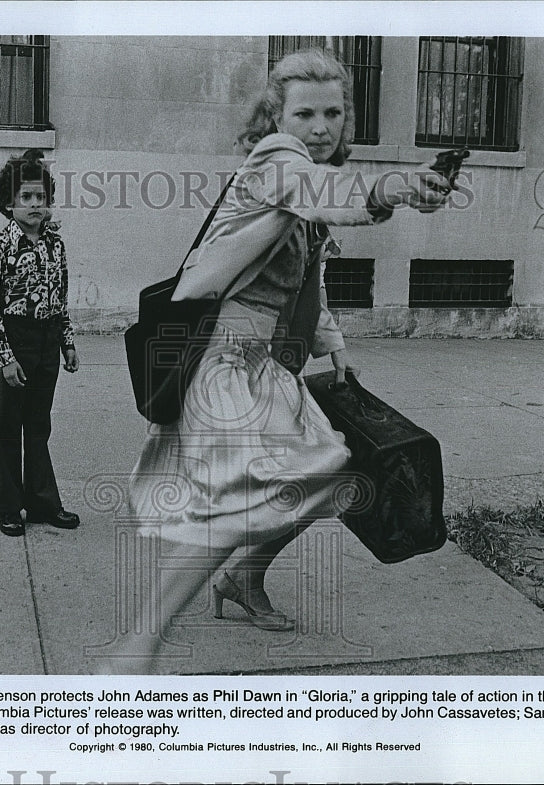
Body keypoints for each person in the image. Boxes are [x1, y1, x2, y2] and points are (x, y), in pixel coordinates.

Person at [108, 50, 453, 672]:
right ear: (276, 117)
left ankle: (245, 577)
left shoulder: (307, 188)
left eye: (334, 113)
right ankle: (139, 645)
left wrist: (334, 346)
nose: (321, 127)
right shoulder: (276, 162)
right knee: (232, 500)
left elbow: (303, 282)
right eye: (305, 114)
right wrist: (395, 186)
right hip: (222, 364)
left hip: (265, 366)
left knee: (329, 477)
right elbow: (326, 192)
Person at [0, 149, 81, 537]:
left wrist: (67, 342)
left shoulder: (56, 246)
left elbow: (61, 299)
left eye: (41, 197)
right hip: (14, 338)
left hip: (47, 340)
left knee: (38, 425)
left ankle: (42, 502)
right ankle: (8, 506)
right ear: (9, 203)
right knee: (8, 425)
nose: (36, 204)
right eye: (26, 197)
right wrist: (5, 358)